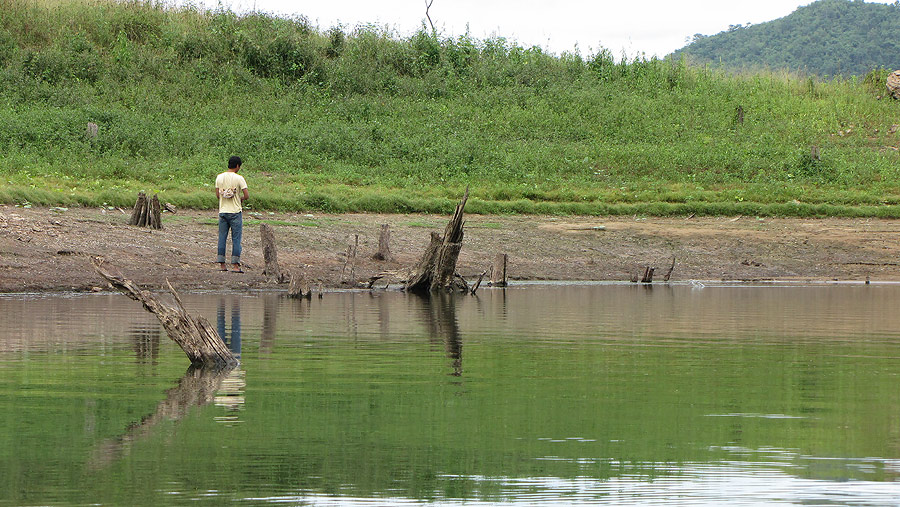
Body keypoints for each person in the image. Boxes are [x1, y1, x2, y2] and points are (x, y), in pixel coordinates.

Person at [215, 156, 249, 272]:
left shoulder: (219, 177)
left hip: (223, 211)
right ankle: (235, 265)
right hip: (235, 212)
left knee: (222, 237)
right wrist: (241, 199)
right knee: (236, 238)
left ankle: (222, 264)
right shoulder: (239, 178)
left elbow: (218, 195)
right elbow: (246, 195)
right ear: (238, 166)